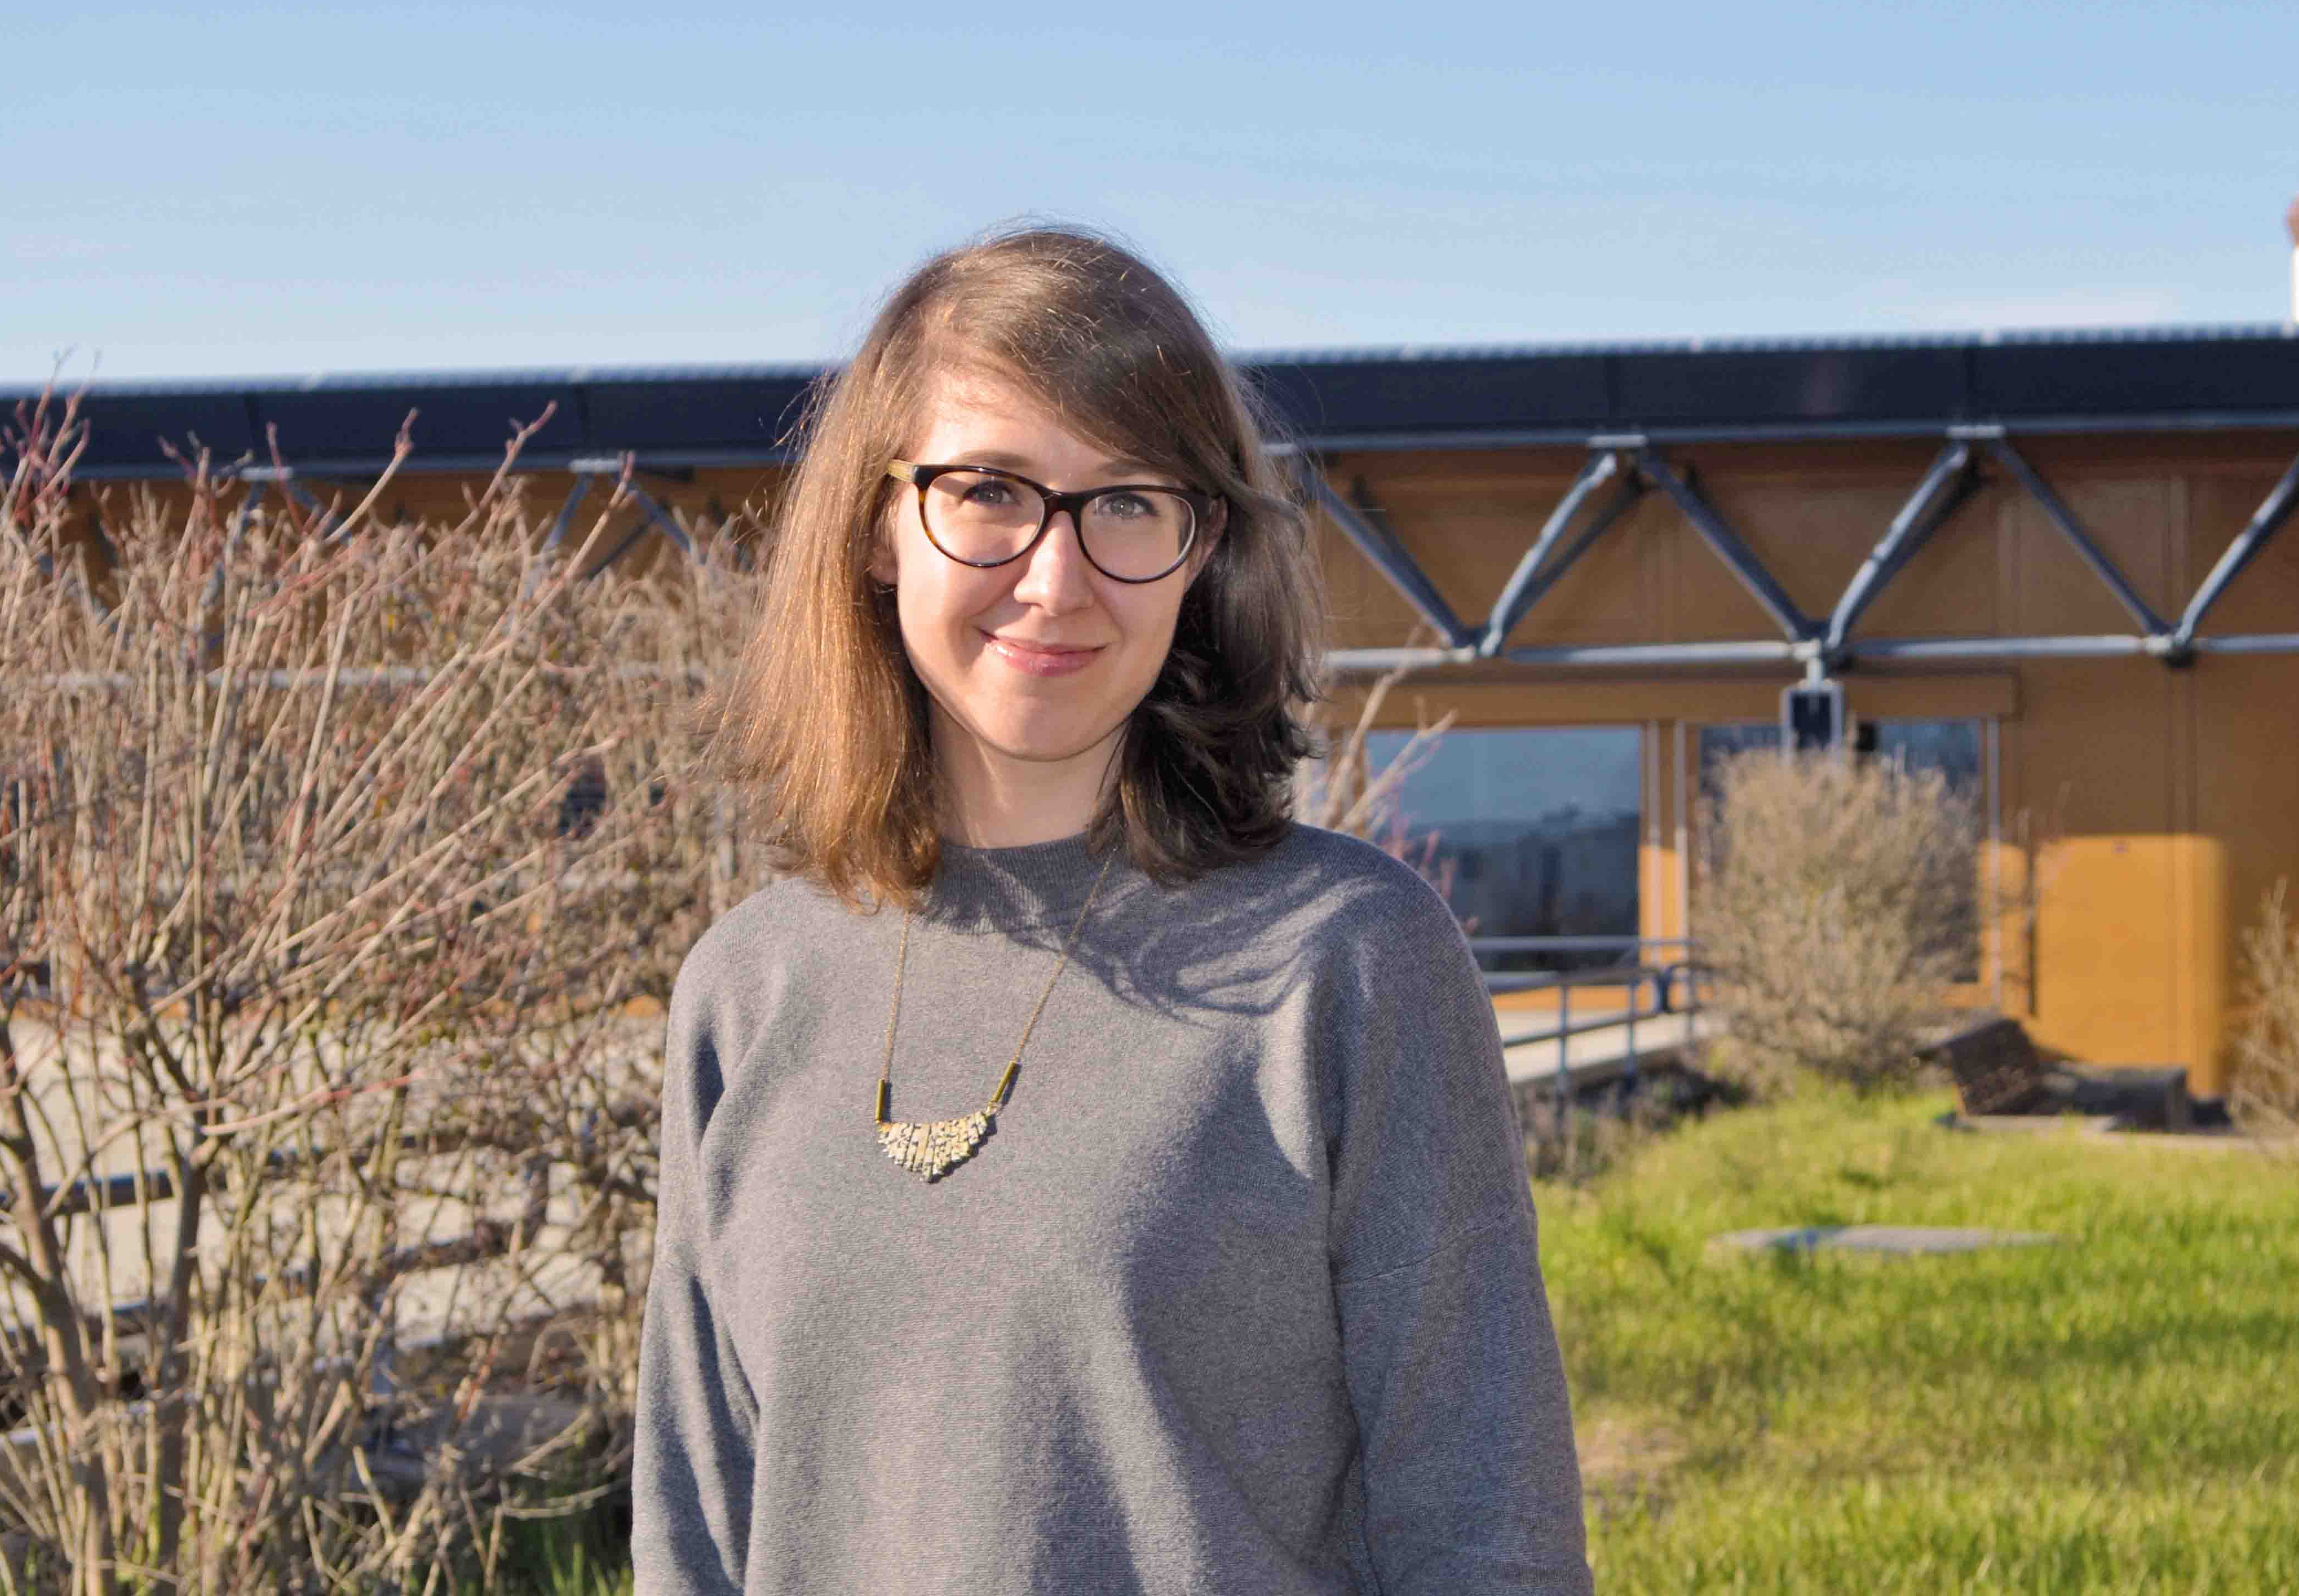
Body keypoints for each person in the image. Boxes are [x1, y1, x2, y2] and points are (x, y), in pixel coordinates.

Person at [632, 225, 1593, 1593]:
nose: (1056, 576)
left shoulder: (1346, 963)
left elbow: (1484, 1529)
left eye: (1129, 502)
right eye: (988, 491)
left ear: (1205, 553)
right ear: (875, 527)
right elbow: (696, 1533)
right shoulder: (746, 989)